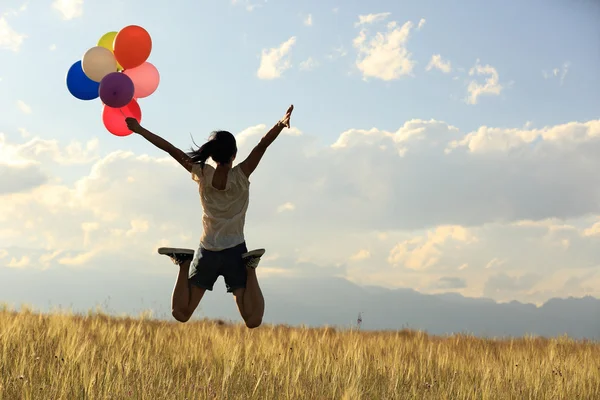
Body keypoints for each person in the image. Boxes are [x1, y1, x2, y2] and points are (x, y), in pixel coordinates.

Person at [125, 104, 294, 329]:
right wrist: (281, 123)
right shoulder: (242, 175)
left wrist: (139, 129)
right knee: (253, 320)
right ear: (234, 154)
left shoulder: (202, 173)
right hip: (236, 251)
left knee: (181, 313)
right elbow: (262, 144)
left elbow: (169, 148)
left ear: (212, 155)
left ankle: (183, 263)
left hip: (208, 251)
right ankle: (251, 266)